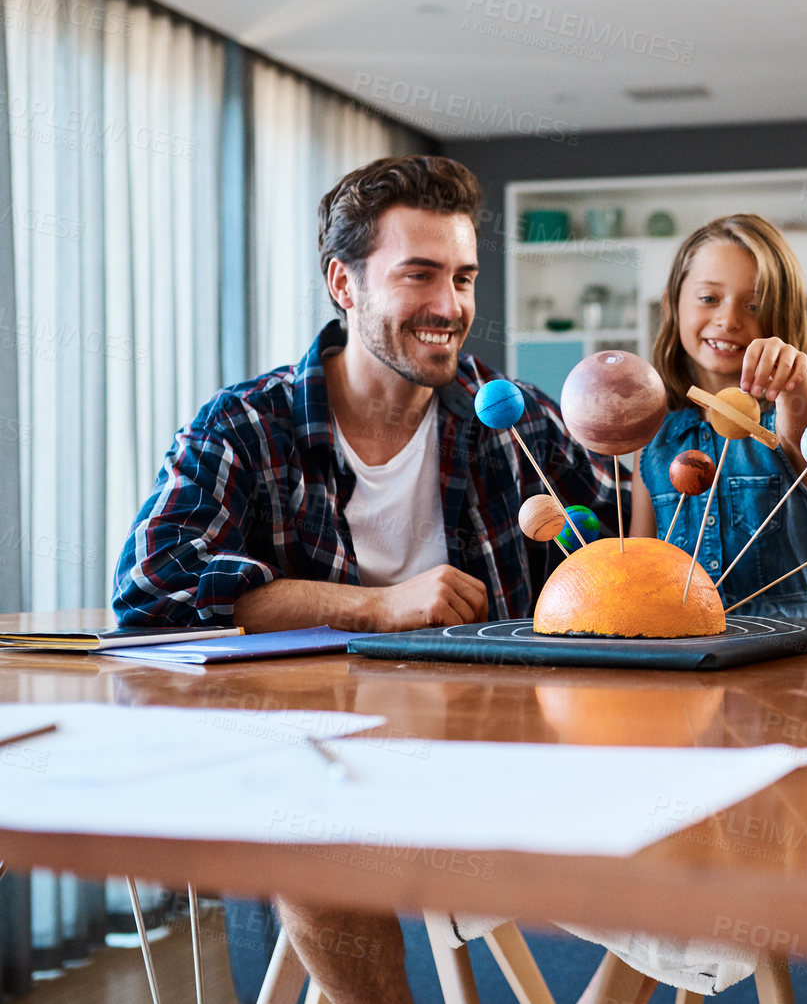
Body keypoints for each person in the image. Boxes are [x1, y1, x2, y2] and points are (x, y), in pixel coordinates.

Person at [112, 154, 623, 1004]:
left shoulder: (517, 419)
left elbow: (638, 550)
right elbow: (152, 596)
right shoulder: (245, 425)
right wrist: (376, 608)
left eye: (462, 277)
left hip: (504, 758)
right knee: (308, 820)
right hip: (319, 764)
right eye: (419, 275)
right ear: (343, 284)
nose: (451, 307)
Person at [628, 213, 807, 613]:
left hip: (787, 663)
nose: (728, 318)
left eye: (754, 304)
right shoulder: (656, 439)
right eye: (709, 298)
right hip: (681, 658)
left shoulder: (790, 420)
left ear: (782, 318)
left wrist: (794, 375)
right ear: (672, 304)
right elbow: (641, 562)